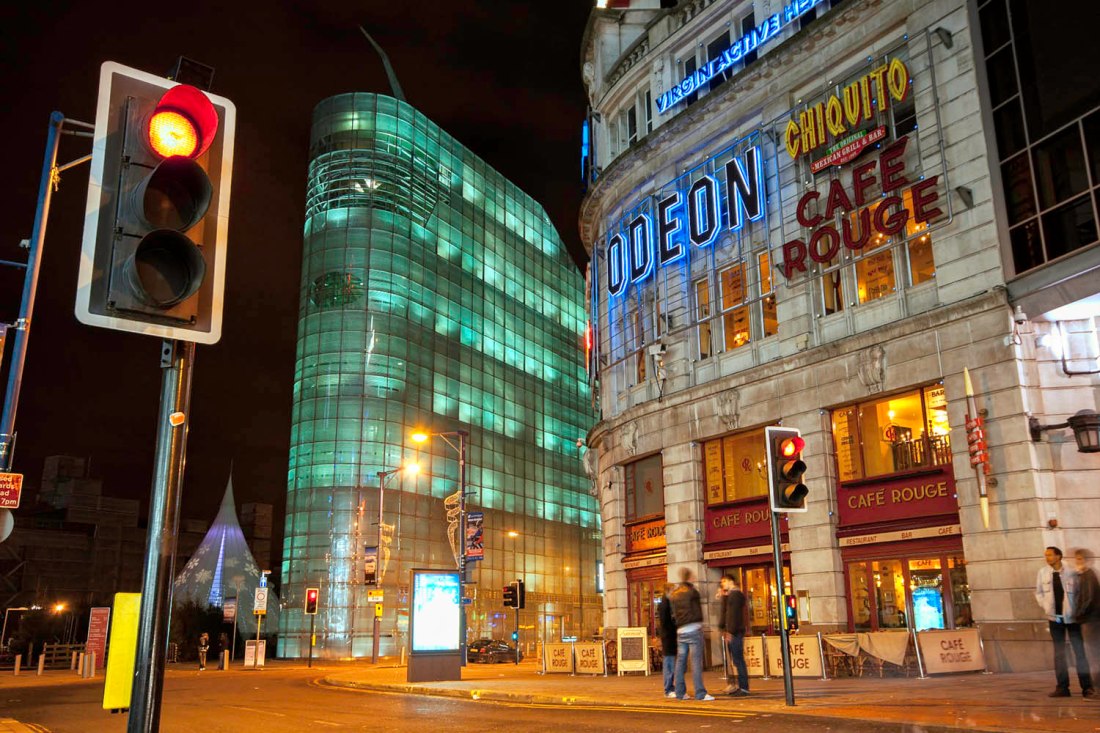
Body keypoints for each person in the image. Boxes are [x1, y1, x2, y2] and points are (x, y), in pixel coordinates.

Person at [1035, 546, 1094, 697]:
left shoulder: (1072, 571)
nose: (1047, 558)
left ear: (1058, 556)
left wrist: (1079, 611)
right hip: (1054, 618)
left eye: (1050, 555)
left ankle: (1087, 687)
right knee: (1059, 654)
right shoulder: (1043, 573)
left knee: (1079, 652)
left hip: (1072, 617)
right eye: (1046, 555)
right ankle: (1062, 687)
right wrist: (1045, 606)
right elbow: (1039, 592)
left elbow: (1081, 592)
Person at [669, 567, 714, 701]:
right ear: (689, 578)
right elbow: (698, 609)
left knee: (680, 663)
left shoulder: (674, 594)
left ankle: (680, 692)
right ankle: (700, 693)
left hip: (681, 630)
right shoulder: (692, 592)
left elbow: (673, 614)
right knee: (695, 663)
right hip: (693, 629)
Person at [718, 574, 749, 696]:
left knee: (738, 660)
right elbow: (727, 612)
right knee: (735, 660)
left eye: (724, 581)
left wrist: (730, 631)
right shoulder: (731, 595)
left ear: (731, 581)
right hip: (732, 632)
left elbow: (733, 615)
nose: (722, 584)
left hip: (735, 632)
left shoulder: (736, 595)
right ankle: (738, 685)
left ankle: (744, 687)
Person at [1074, 549, 1100, 682]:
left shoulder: (1088, 574)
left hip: (1090, 619)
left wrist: (1078, 614)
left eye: (1079, 559)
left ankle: (1097, 684)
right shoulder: (1085, 574)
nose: (1076, 562)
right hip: (1091, 618)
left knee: (1093, 652)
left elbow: (1088, 598)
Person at [657, 584, 678, 699]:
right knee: (669, 664)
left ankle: (670, 687)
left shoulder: (668, 603)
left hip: (669, 637)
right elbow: (666, 623)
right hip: (668, 637)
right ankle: (668, 689)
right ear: (669, 591)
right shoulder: (665, 604)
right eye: (674, 590)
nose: (676, 593)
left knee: (670, 663)